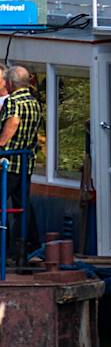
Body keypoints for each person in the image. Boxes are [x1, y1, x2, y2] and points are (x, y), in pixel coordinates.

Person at [0, 63, 46, 266]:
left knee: (4, 206)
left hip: (8, 164)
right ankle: (29, 247)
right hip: (25, 163)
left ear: (10, 83)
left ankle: (5, 250)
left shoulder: (13, 102)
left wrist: (0, 143)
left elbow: (13, 122)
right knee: (23, 205)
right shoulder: (35, 103)